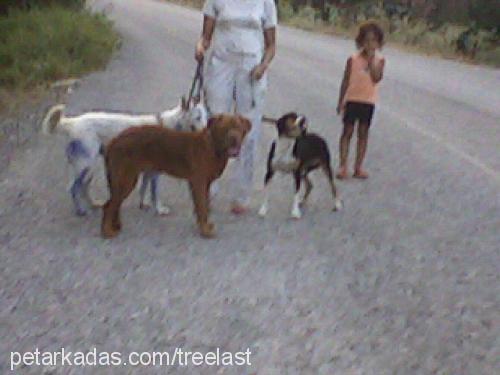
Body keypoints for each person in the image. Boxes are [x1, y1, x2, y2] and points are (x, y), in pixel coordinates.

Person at [195, 0, 277, 214]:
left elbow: (271, 45)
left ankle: (242, 193)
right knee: (215, 125)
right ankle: (209, 185)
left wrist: (263, 66)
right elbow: (206, 36)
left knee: (247, 129)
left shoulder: (265, 3)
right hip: (221, 63)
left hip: (250, 67)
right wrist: (201, 47)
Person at [336, 21, 385, 179]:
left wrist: (371, 62)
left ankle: (358, 166)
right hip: (352, 99)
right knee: (347, 132)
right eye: (366, 40)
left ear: (378, 43)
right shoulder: (353, 59)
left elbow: (376, 78)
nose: (370, 44)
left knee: (363, 133)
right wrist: (340, 100)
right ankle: (343, 166)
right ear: (360, 41)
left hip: (368, 101)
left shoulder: (380, 61)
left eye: (373, 41)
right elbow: (345, 80)